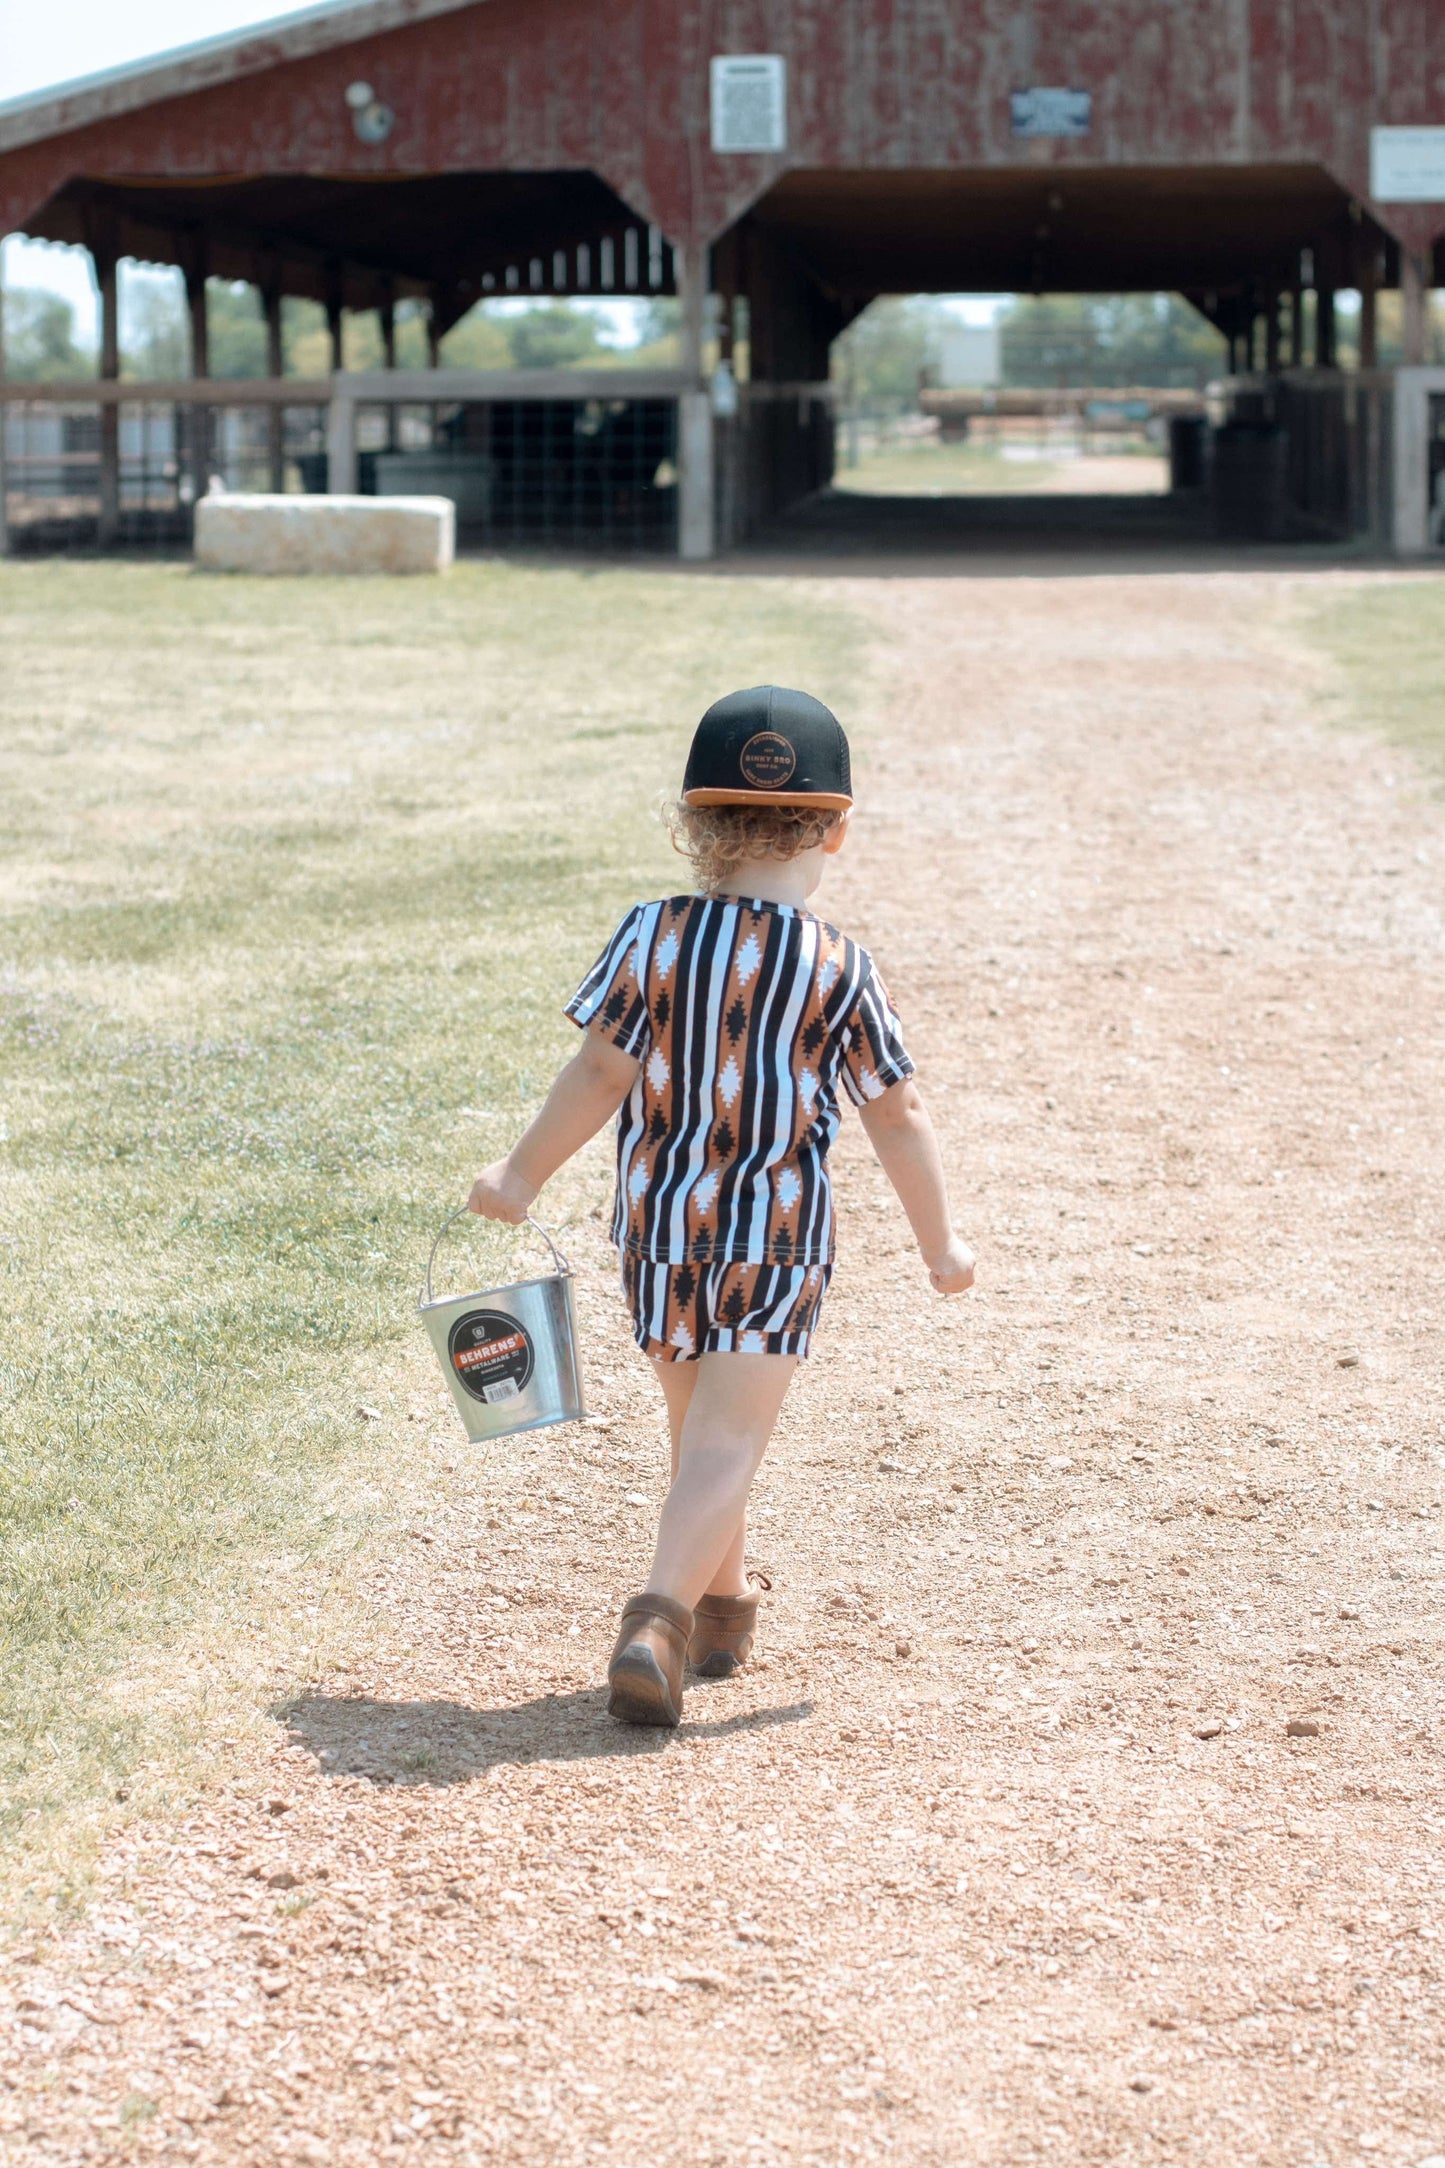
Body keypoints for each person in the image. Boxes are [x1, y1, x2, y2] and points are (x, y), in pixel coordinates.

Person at [467, 686, 974, 1726]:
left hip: (659, 1228)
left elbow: (598, 1073)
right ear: (837, 826)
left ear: (695, 823)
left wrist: (519, 1176)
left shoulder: (649, 937)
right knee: (728, 1441)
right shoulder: (835, 964)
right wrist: (940, 1241)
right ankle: (656, 1619)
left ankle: (721, 1604)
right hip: (774, 1236)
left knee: (696, 1428)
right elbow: (897, 1111)